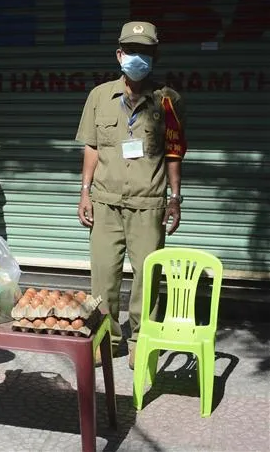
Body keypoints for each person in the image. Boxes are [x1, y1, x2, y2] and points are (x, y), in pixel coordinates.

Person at [75, 21, 187, 369]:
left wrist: (175, 198)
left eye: (146, 52)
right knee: (103, 275)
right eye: (132, 51)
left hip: (149, 203)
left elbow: (173, 153)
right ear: (119, 54)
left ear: (154, 57)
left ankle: (142, 339)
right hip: (106, 202)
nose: (138, 58)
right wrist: (84, 192)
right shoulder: (99, 96)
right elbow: (92, 147)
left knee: (147, 276)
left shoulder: (168, 100)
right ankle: (106, 338)